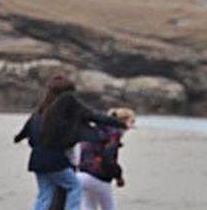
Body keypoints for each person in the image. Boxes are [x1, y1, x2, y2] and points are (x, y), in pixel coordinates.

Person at [13, 75, 125, 210]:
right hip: (56, 162)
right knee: (74, 187)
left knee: (44, 194)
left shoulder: (39, 113)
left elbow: (25, 131)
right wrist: (119, 124)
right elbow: (95, 116)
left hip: (36, 160)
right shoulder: (68, 111)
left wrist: (18, 138)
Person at [76, 107, 136, 210]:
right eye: (132, 122)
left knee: (88, 206)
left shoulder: (95, 130)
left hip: (82, 174)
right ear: (123, 121)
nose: (133, 126)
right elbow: (109, 159)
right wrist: (118, 176)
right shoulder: (114, 135)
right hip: (98, 176)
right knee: (109, 206)